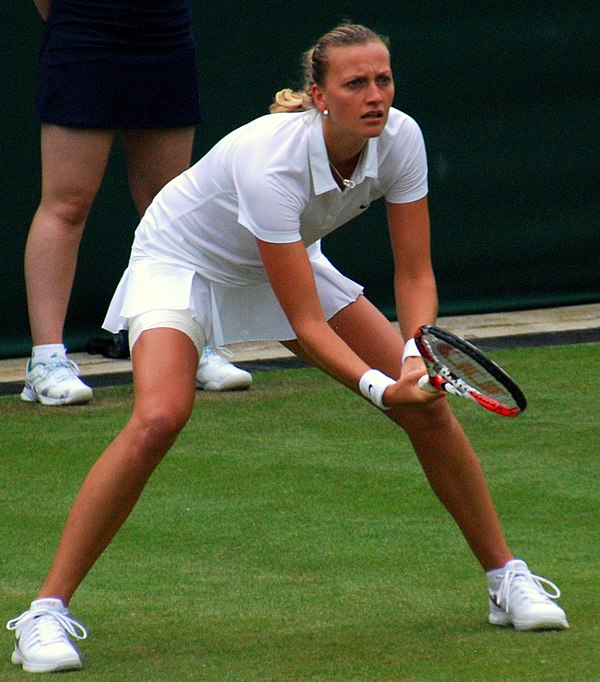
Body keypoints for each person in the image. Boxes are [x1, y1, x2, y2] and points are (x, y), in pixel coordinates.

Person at [7, 22, 568, 674]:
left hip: (284, 259)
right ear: (319, 95)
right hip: (182, 259)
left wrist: (416, 359)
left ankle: (506, 578)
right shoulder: (271, 161)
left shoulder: (402, 139)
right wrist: (382, 387)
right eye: (355, 83)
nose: (374, 95)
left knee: (427, 408)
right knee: (160, 416)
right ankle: (43, 614)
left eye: (382, 79)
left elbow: (414, 272)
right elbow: (303, 323)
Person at [21, 0, 251, 407]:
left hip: (165, 32)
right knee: (68, 203)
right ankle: (46, 360)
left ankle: (189, 344)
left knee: (170, 205)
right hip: (83, 30)